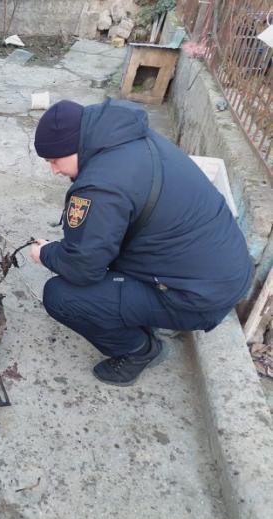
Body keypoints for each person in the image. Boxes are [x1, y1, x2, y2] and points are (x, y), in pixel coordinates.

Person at [30, 98, 252, 387]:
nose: (54, 170)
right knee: (103, 254)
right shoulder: (129, 137)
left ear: (75, 146)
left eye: (54, 160)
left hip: (198, 298)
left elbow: (82, 267)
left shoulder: (100, 187)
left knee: (61, 295)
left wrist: (46, 253)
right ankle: (142, 310)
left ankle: (139, 350)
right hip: (224, 272)